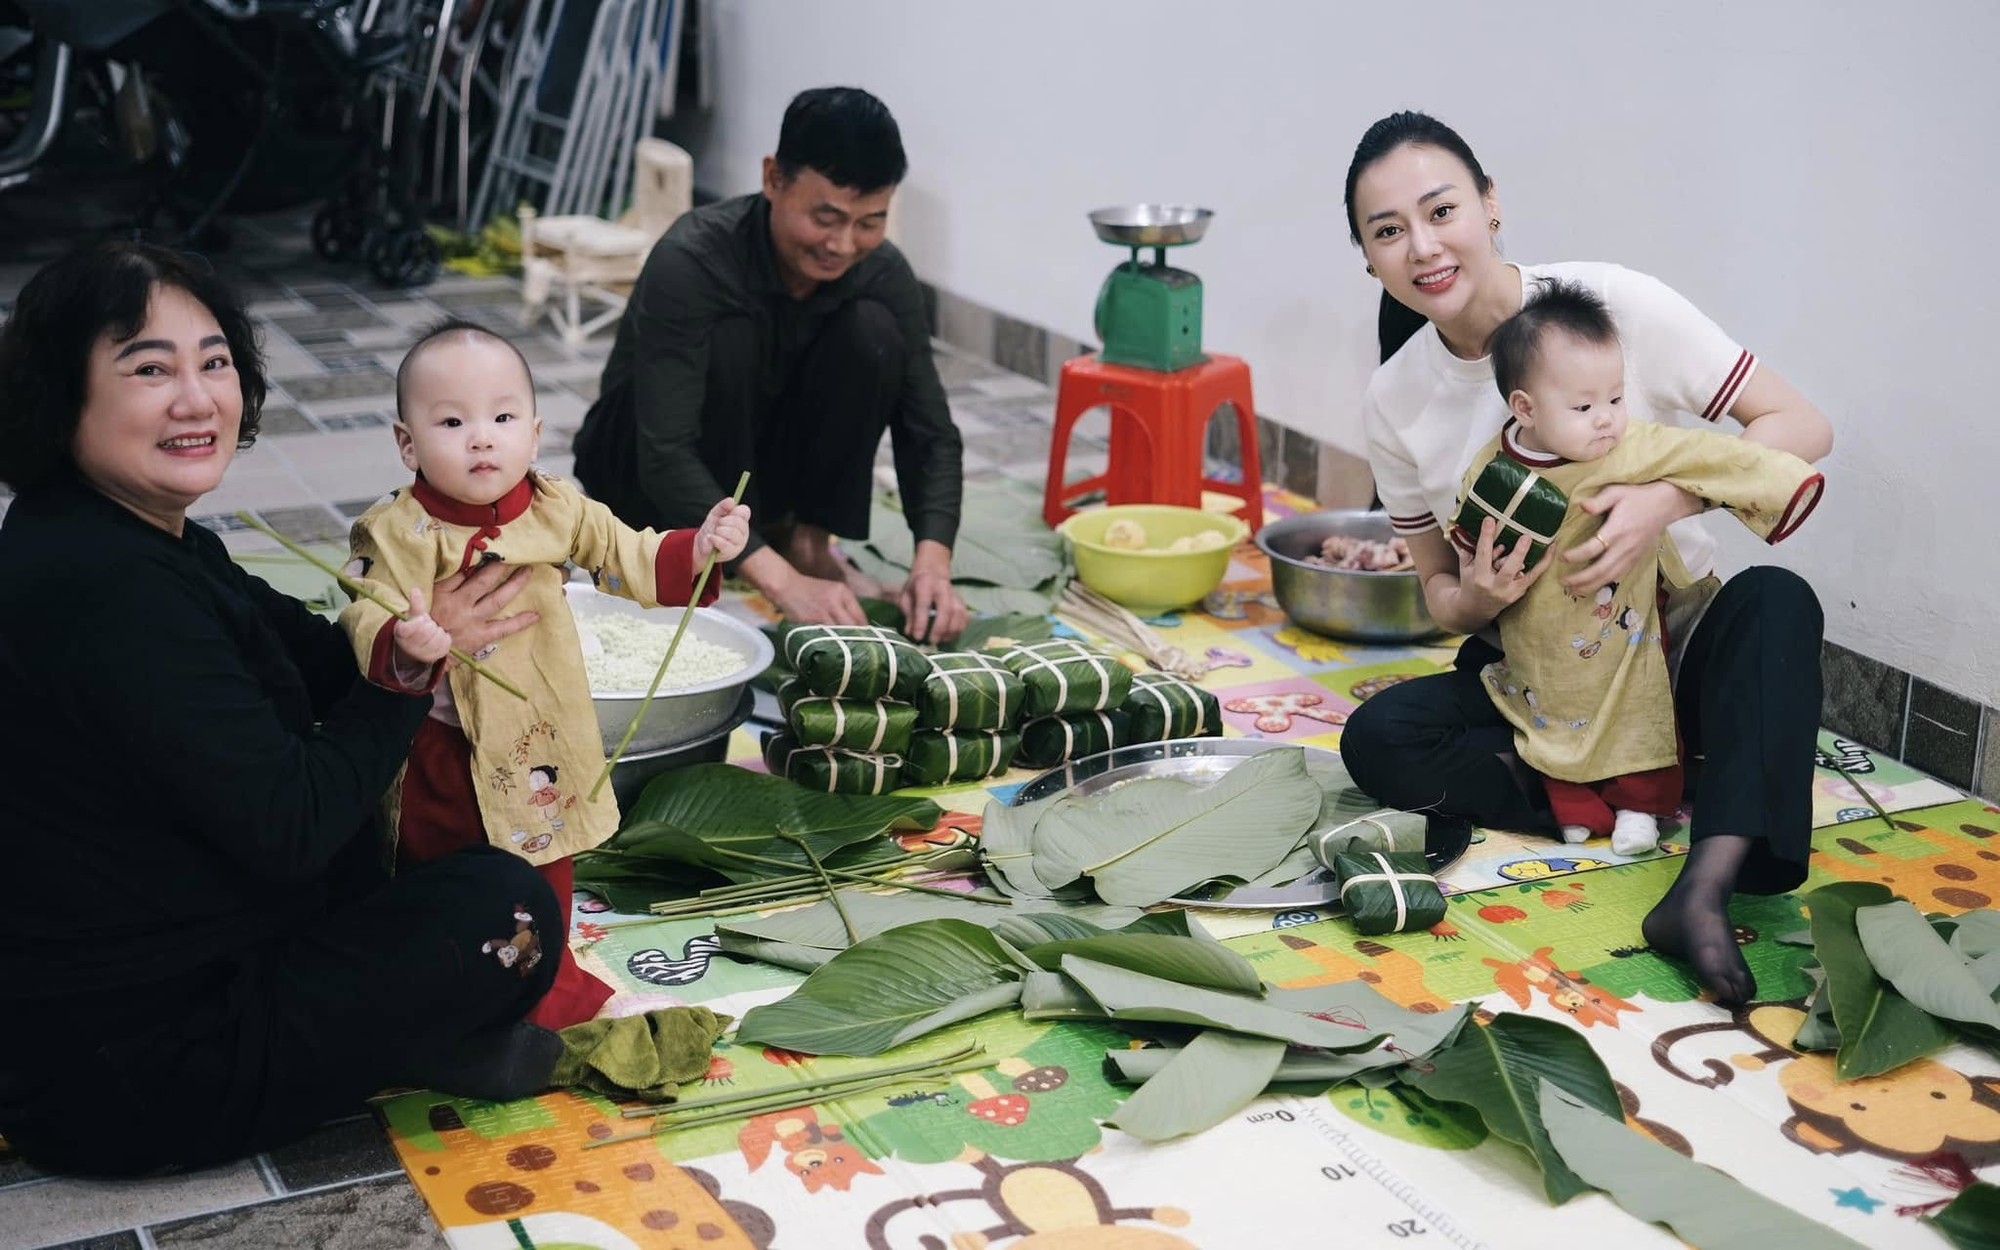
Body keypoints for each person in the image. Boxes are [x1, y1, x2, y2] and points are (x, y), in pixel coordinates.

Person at [0, 243, 565, 1176]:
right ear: (64, 397)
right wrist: (408, 678)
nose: (197, 399)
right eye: (150, 369)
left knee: (428, 833)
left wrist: (409, 611)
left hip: (163, 971)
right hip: (135, 1067)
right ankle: (423, 1036)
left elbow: (313, 655)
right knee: (507, 911)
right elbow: (294, 823)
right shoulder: (102, 590)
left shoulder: (126, 535)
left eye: (214, 362)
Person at [1339, 111, 1835, 1005]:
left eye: (1441, 209)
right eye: (1388, 231)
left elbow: (1800, 428)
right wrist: (1479, 597)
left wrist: (1665, 501)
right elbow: (1440, 599)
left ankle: (1702, 886)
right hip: (1537, 675)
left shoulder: (1612, 303)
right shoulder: (1394, 396)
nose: (1422, 246)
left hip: (1671, 647)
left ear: (1491, 206)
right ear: (1368, 257)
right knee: (1379, 738)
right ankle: (1622, 787)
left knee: (1777, 604)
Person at [342, 320, 750, 1030]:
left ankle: (545, 984)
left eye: (502, 417)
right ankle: (447, 989)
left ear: (532, 433)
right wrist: (403, 637)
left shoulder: (558, 509)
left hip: (537, 743)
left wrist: (704, 547)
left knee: (544, 863)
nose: (481, 437)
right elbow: (364, 608)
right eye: (451, 420)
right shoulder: (396, 531)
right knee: (442, 869)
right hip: (442, 748)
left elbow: (632, 556)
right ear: (407, 442)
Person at [571, 85, 969, 644]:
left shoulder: (881, 270)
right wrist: (783, 585)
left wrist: (933, 565)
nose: (844, 243)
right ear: (773, 179)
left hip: (757, 479)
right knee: (732, 337)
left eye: (869, 222)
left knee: (873, 333)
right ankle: (756, 559)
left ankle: (807, 541)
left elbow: (931, 433)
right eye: (826, 217)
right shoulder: (692, 261)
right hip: (643, 482)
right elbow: (663, 451)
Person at [1460, 280, 1824, 858]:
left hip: (1627, 627)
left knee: (1638, 710)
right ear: (1524, 408)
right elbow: (1473, 532)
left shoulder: (1631, 447)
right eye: (1583, 408)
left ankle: (1640, 808)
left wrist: (1670, 498)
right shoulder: (1495, 466)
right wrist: (1482, 580)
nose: (1606, 420)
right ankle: (1575, 805)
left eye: (1615, 398)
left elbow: (1717, 458)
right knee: (1549, 710)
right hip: (1543, 631)